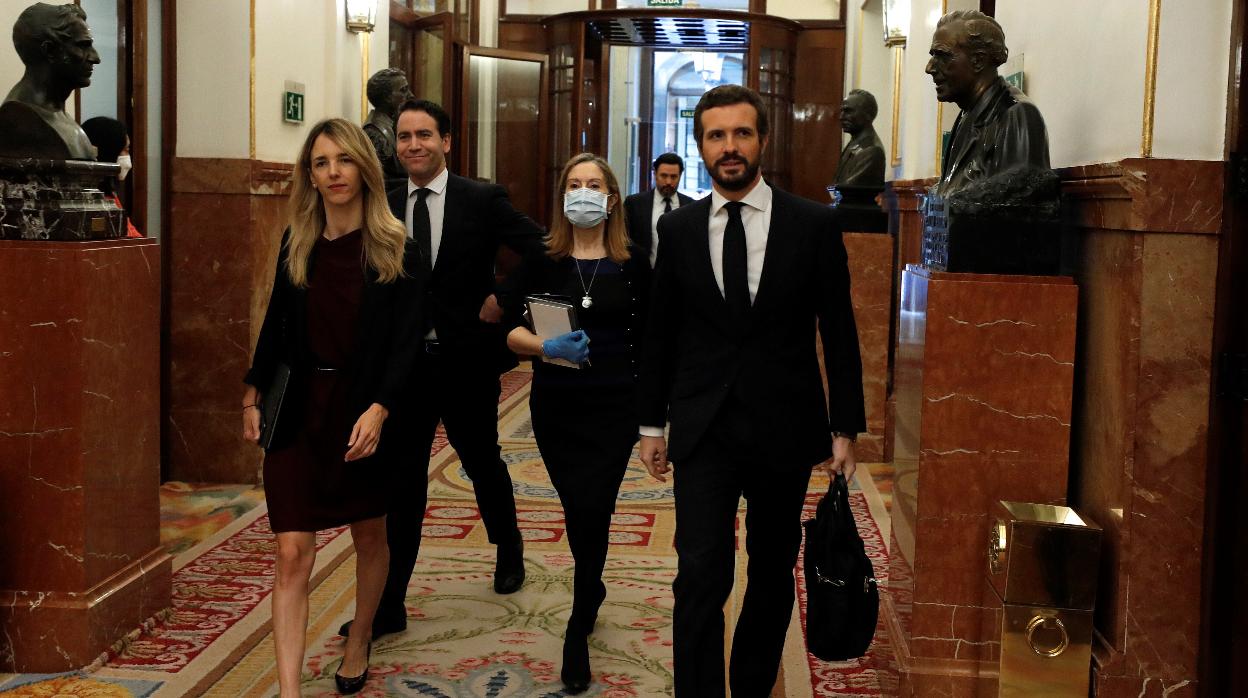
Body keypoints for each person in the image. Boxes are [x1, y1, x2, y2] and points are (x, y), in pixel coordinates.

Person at [637, 84, 866, 697]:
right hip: (703, 427)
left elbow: (839, 332)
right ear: (701, 145)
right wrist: (651, 425)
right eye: (716, 136)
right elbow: (660, 333)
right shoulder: (681, 229)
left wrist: (845, 427)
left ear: (762, 139)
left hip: (783, 427)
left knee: (770, 573)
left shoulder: (813, 223)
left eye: (741, 133)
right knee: (699, 574)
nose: (729, 147)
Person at [340, 98, 547, 641]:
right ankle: (391, 605)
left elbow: (543, 249)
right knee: (403, 485)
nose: (413, 145)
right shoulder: (380, 199)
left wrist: (503, 295)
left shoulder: (482, 198)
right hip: (403, 371)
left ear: (447, 141)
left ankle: (508, 546)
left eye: (425, 135)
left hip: (465, 362)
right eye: (405, 136)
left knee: (481, 461)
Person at [242, 118, 424, 696]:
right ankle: (291, 691)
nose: (332, 173)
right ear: (310, 176)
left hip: (362, 410)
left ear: (364, 169)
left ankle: (360, 636)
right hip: (299, 408)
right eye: (320, 163)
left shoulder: (396, 246)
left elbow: (406, 343)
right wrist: (253, 391)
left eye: (342, 161)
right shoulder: (298, 243)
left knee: (370, 536)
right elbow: (276, 321)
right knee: (292, 550)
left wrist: (381, 408)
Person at [504, 153, 650, 694]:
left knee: (596, 506)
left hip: (616, 407)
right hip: (557, 407)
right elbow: (509, 331)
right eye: (573, 184)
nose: (583, 192)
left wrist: (657, 416)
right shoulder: (543, 260)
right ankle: (591, 587)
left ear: (611, 198)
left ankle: (579, 614)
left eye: (593, 185)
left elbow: (655, 337)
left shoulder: (635, 263)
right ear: (562, 196)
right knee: (576, 507)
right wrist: (544, 346)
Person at [926, 9, 1049, 196]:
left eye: (942, 55)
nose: (930, 68)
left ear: (978, 61)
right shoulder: (967, 115)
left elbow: (1018, 204)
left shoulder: (1015, 115)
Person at [0, 2, 98, 158]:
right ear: (49, 50)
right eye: (83, 45)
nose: (95, 58)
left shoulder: (61, 118)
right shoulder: (19, 118)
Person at [623, 152, 694, 268]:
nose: (668, 182)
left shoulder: (690, 206)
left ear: (680, 176)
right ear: (655, 174)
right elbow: (625, 239)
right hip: (644, 275)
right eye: (664, 176)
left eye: (673, 177)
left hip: (680, 277)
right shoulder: (635, 204)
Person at [81, 116, 141, 237]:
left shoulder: (109, 194)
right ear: (108, 152)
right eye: (125, 150)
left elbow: (132, 235)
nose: (127, 156)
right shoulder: (93, 201)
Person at [362, 67, 414, 188]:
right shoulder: (375, 134)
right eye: (403, 90)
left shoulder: (394, 124)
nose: (410, 95)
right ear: (387, 97)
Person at [833, 89, 886, 187]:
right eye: (842, 111)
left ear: (868, 114)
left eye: (848, 111)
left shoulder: (871, 150)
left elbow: (847, 189)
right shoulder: (855, 144)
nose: (841, 117)